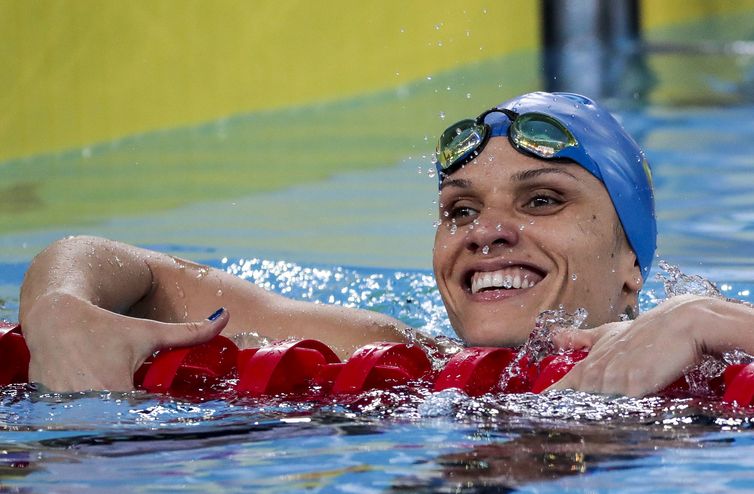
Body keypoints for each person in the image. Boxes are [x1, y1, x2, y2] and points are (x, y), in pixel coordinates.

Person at [18, 91, 754, 397]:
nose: (487, 234)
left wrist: (700, 320)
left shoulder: (706, 358)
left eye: (541, 200)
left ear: (632, 265)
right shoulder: (390, 356)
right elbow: (128, 269)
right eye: (459, 210)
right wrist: (55, 303)